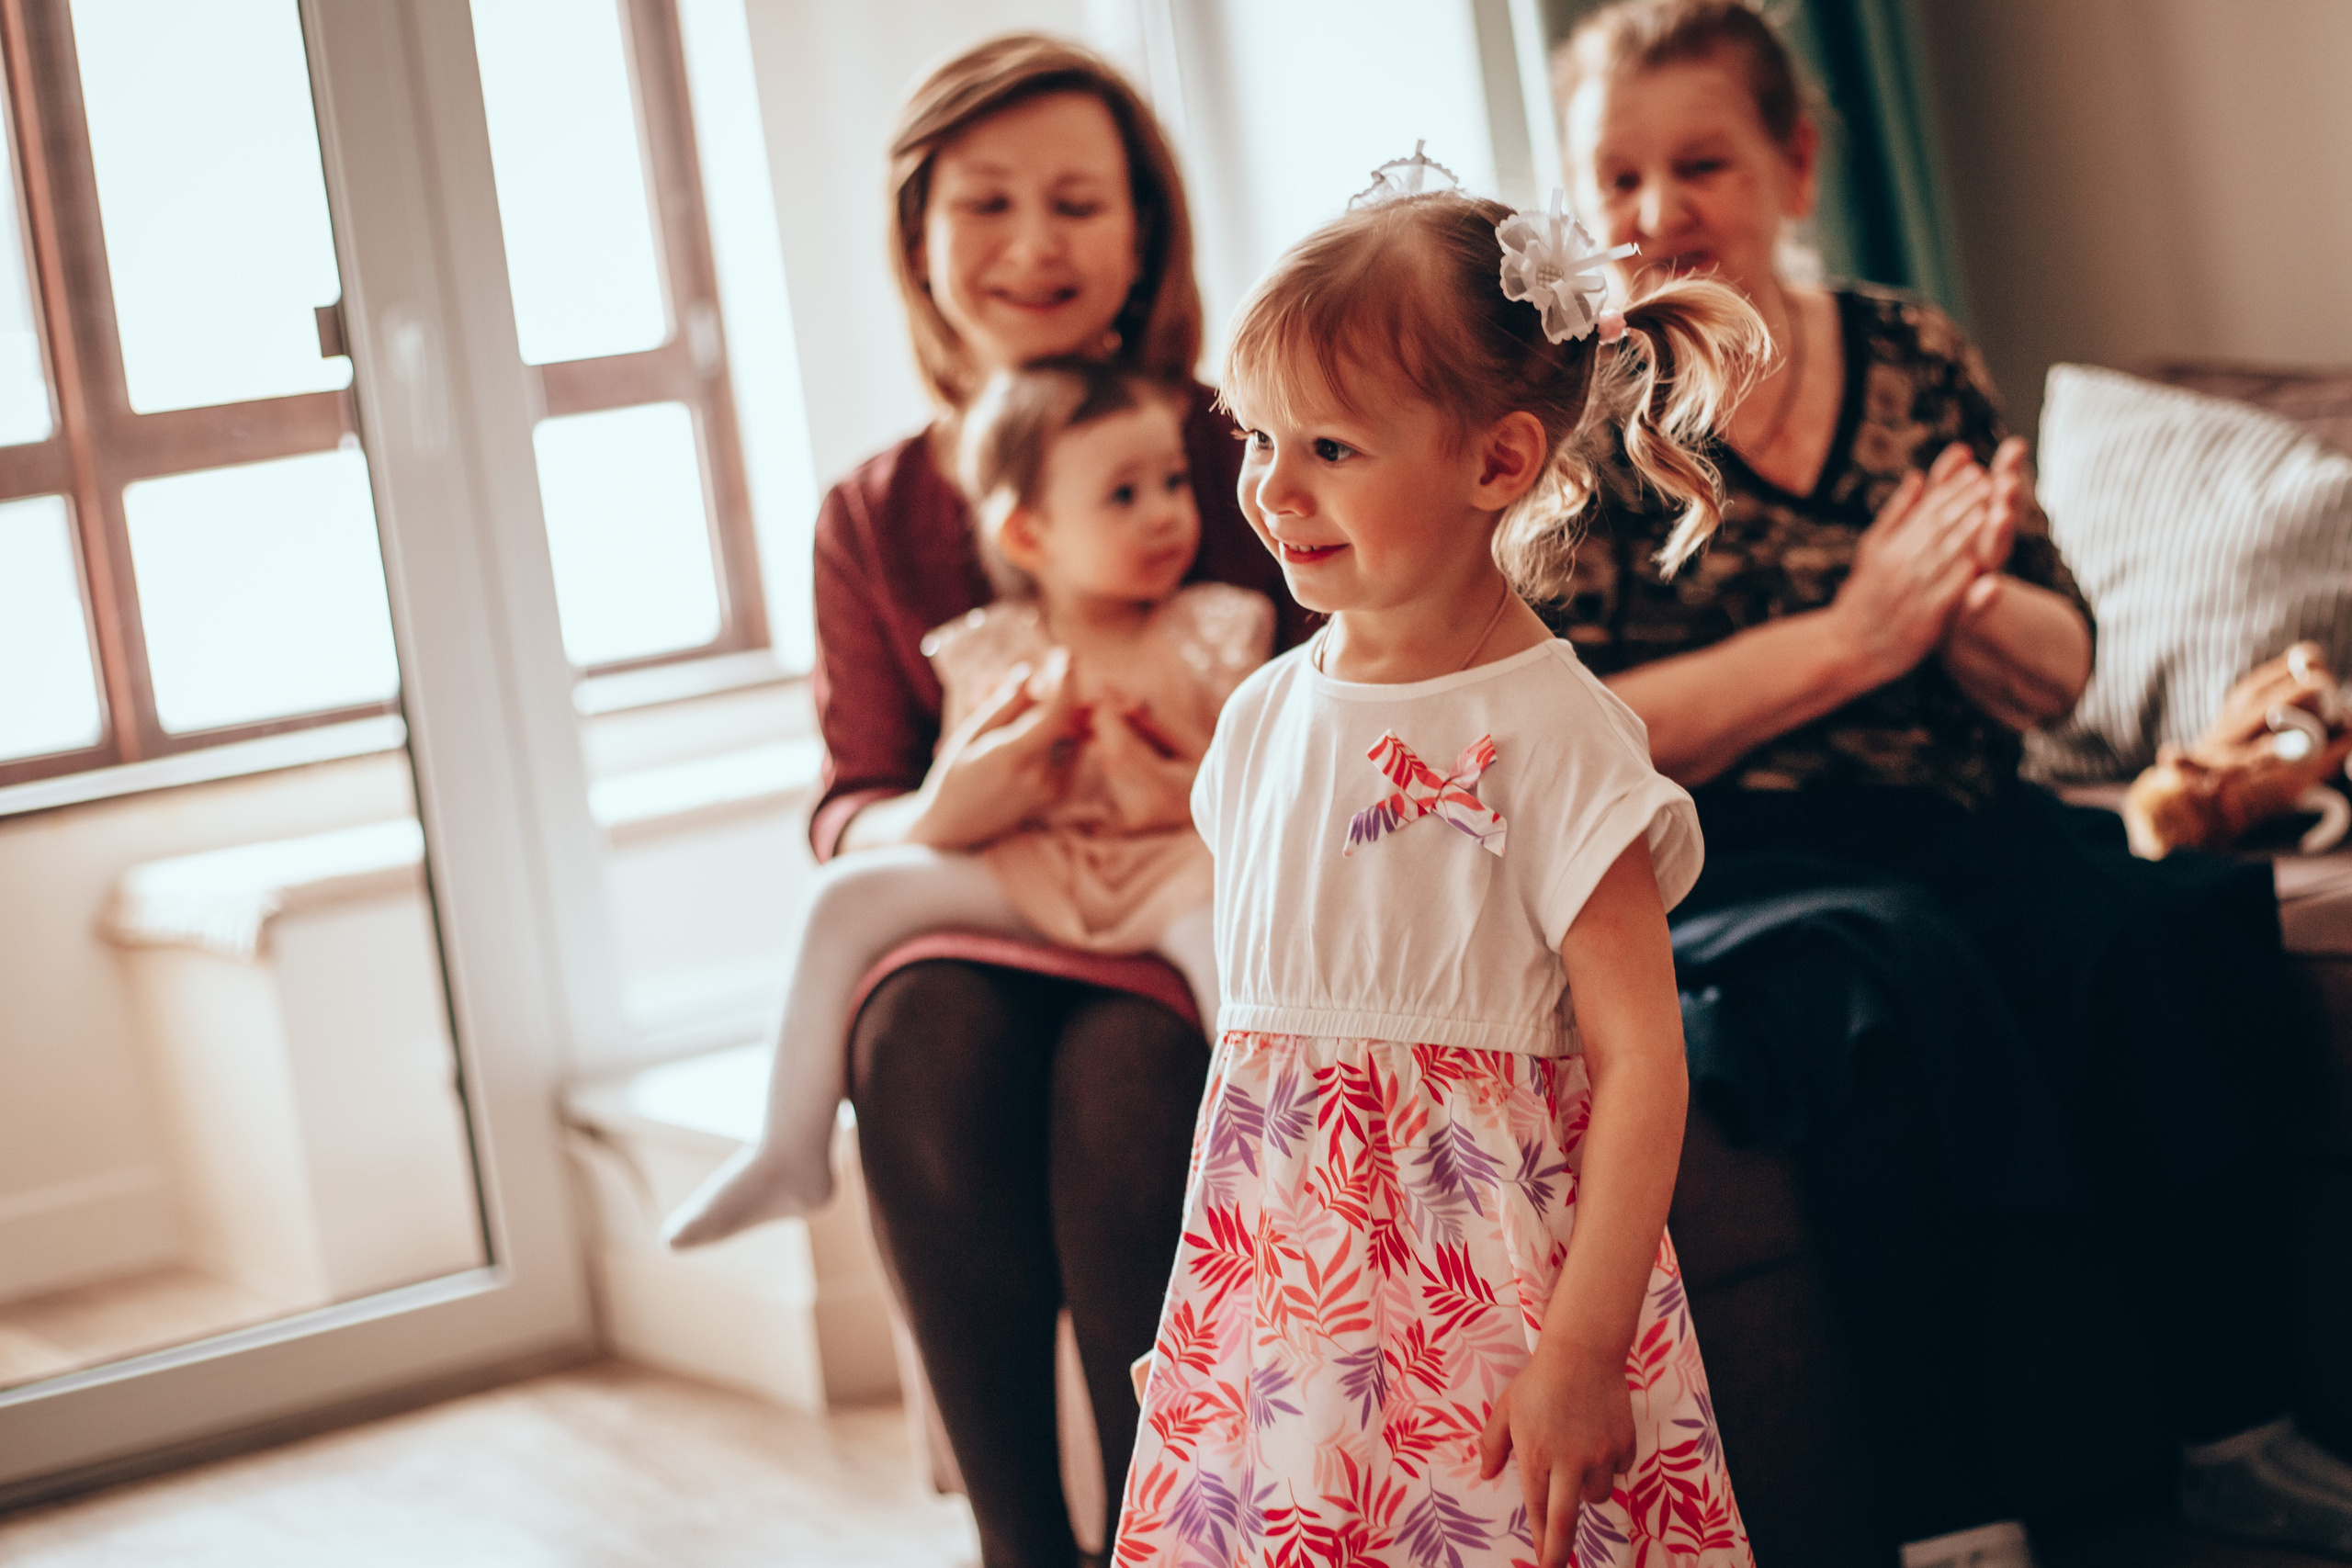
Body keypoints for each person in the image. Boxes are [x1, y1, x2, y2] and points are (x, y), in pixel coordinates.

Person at [1551, 0, 2352, 1558]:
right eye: (1619, 176)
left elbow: (2062, 667)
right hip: (1735, 860)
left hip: (1956, 815)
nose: (1658, 208)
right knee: (1882, 986)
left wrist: (1971, 605)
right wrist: (1856, 636)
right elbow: (1572, 733)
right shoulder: (1583, 414)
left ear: (1795, 163)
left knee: (2158, 925)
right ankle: (1960, 1515)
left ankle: (2238, 1432)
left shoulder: (1909, 352)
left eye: (1701, 163)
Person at [1115, 153, 1766, 1568]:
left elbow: (1644, 1061)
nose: (1274, 487)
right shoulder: (1261, 722)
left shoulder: (1556, 734)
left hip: (1499, 1318)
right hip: (1289, 1323)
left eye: (1331, 448)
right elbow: (1264, 1065)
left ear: (1497, 462)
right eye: (1257, 437)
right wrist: (1217, 1311)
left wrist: (1583, 1346)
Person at [804, 36, 1309, 1567]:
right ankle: (1021, 1544)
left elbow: (1355, 719)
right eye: (987, 204)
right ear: (919, 240)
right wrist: (944, 806)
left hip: (1187, 915)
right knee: (914, 1031)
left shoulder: (1252, 452)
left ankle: (1171, 1534)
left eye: (1078, 203)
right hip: (987, 910)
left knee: (1127, 1075)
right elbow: (847, 807)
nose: (1032, 245)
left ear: (1144, 235)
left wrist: (1208, 777)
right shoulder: (877, 513)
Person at [664, 359, 1269, 1246]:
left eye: (1174, 482)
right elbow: (964, 782)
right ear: (1028, 535)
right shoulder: (994, 649)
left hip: (1176, 872)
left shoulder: (1216, 627)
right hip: (1035, 865)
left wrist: (1197, 786)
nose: (1165, 513)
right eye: (1124, 494)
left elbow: (1266, 778)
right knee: (841, 898)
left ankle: (1268, 1172)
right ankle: (787, 1147)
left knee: (1243, 952)